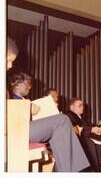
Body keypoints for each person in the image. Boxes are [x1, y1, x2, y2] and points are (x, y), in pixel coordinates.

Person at [6, 36, 90, 172]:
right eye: (8, 60)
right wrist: (26, 108)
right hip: (12, 130)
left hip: (15, 127)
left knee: (61, 125)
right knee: (62, 121)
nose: (10, 66)